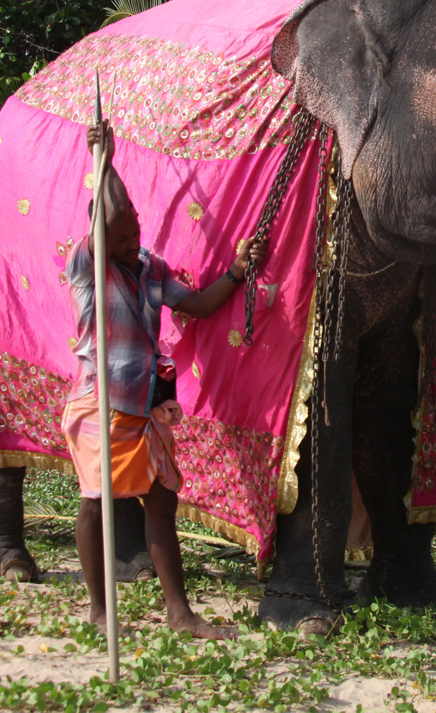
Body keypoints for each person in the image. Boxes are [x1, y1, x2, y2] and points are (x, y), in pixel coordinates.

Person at [64, 121, 267, 640]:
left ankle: (180, 614)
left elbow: (194, 306)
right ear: (102, 238)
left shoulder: (151, 268)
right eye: (122, 236)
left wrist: (237, 273)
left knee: (161, 500)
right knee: (96, 501)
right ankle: (99, 609)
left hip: (145, 408)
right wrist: (102, 162)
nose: (132, 241)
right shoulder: (90, 268)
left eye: (135, 230)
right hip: (101, 405)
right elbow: (100, 226)